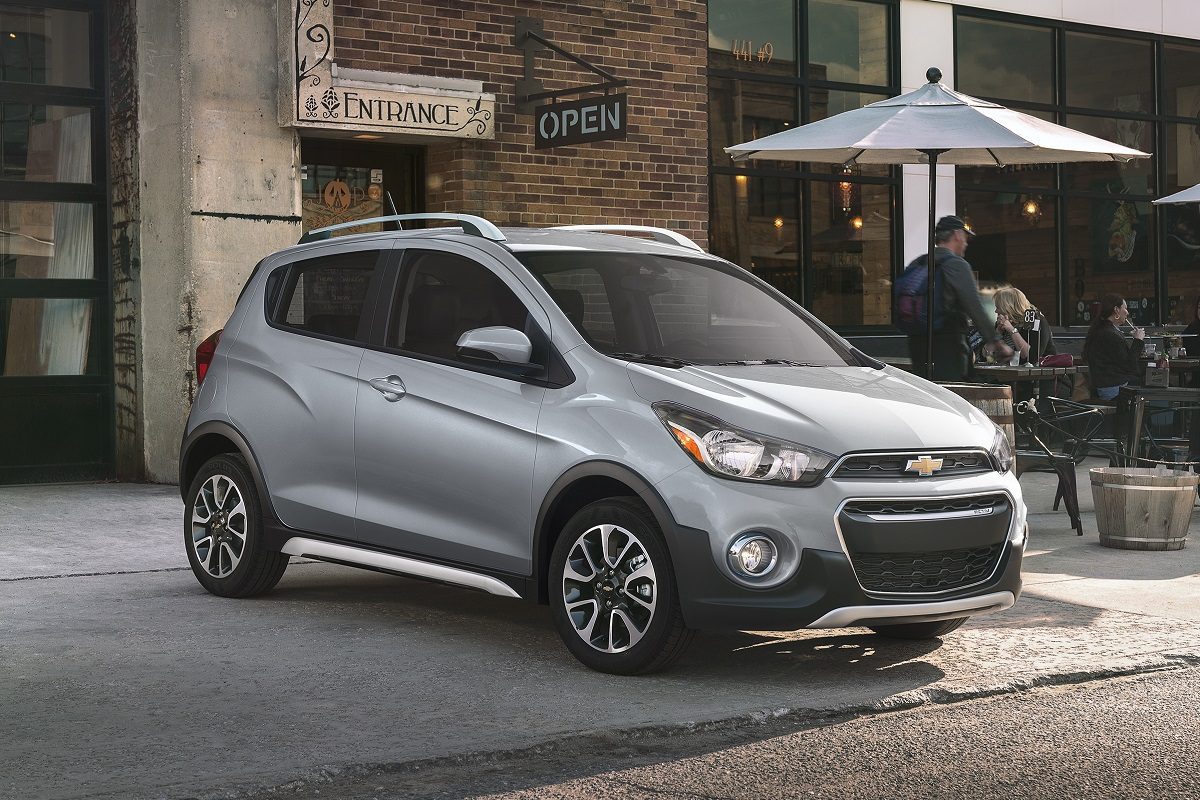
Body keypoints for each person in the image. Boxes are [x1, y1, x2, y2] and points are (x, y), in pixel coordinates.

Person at [906, 216, 1012, 381]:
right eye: (965, 237)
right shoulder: (956, 264)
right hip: (948, 345)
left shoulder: (917, 263)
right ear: (957, 235)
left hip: (918, 345)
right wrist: (996, 341)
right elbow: (974, 306)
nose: (966, 243)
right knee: (955, 397)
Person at [993, 286, 1063, 402]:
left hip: (1042, 382)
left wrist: (1012, 330)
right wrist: (997, 334)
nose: (996, 311)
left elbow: (1031, 356)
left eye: (998, 307)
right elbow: (991, 355)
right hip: (1013, 380)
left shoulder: (1036, 320)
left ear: (1009, 307)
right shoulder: (1001, 324)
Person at [1082, 293, 1145, 401]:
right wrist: (1138, 341)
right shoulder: (1110, 334)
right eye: (1125, 308)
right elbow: (1130, 366)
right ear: (1116, 310)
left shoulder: (1102, 330)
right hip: (1114, 388)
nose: (1127, 312)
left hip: (1106, 386)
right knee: (1152, 385)